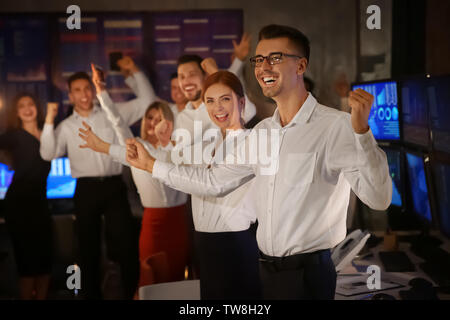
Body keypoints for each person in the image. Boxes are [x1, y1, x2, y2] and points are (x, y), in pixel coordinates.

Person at [126, 25, 392, 300]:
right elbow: (213, 181)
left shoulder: (336, 126)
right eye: (258, 59)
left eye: (275, 58)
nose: (264, 67)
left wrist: (362, 133)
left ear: (301, 65)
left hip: (308, 275)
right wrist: (151, 165)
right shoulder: (262, 132)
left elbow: (379, 199)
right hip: (265, 270)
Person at [126, 71, 260, 300]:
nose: (217, 107)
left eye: (225, 99)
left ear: (241, 102)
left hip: (234, 243)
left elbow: (211, 184)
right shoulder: (210, 143)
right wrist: (162, 145)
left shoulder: (250, 142)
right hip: (205, 242)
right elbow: (176, 162)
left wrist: (151, 164)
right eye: (210, 101)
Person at [39, 56, 153, 299]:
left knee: (125, 245)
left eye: (87, 88)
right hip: (85, 189)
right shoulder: (66, 126)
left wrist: (134, 71)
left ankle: (134, 294)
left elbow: (147, 103)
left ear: (94, 90)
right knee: (87, 250)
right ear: (70, 95)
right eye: (77, 90)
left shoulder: (112, 112)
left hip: (114, 187)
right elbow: (48, 153)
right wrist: (49, 120)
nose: (83, 94)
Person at [77, 65, 190, 291]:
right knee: (150, 281)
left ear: (169, 122)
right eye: (149, 117)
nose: (153, 122)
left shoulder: (183, 149)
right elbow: (118, 123)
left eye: (159, 118)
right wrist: (101, 93)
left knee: (178, 284)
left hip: (180, 222)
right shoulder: (136, 147)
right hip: (152, 224)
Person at [0, 93, 53, 300]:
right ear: (17, 112)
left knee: (45, 261)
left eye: (30, 104)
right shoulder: (14, 135)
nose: (27, 108)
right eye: (21, 106)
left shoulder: (49, 134)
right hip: (19, 205)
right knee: (28, 264)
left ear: (37, 107)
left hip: (40, 204)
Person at [175, 33, 257, 146]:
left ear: (205, 76)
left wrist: (214, 72)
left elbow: (248, 111)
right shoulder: (181, 117)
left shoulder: (219, 106)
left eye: (192, 74)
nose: (186, 81)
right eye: (181, 77)